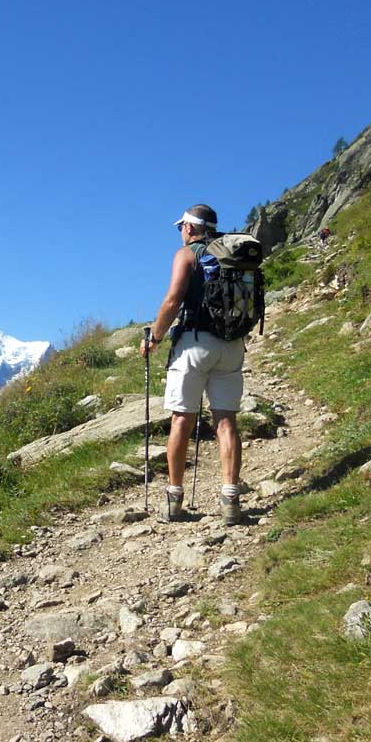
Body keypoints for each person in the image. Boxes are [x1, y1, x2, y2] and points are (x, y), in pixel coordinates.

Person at [140, 204, 245, 526]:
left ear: (189, 228)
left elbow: (173, 299)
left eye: (180, 227)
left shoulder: (187, 254)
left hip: (195, 344)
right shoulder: (234, 254)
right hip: (232, 345)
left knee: (182, 420)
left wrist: (154, 338)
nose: (180, 233)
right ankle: (230, 499)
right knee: (225, 420)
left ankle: (174, 500)